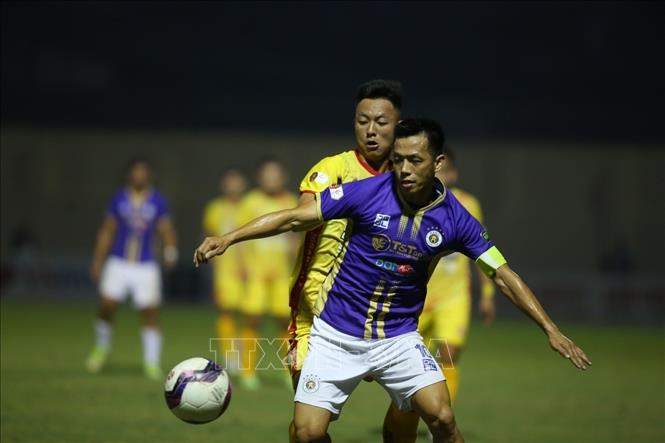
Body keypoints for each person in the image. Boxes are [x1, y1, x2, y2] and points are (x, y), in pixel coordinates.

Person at [194, 118, 591, 443]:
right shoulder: (367, 192)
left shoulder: (456, 218)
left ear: (437, 163)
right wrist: (229, 237)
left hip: (398, 339)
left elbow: (502, 275)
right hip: (335, 334)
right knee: (306, 433)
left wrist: (551, 330)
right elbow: (296, 217)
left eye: (415, 160)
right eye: (398, 160)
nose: (404, 169)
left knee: (443, 418)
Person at [287, 79, 400, 440]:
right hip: (314, 314)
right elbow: (303, 213)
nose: (371, 130)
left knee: (420, 404)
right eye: (362, 121)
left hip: (381, 316)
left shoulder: (406, 179)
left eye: (380, 122)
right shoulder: (332, 168)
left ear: (398, 125)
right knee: (308, 428)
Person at [86, 158, 177, 380]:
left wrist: (170, 251)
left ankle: (151, 361)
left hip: (146, 264)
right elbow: (107, 230)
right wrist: (98, 260)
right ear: (129, 175)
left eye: (143, 172)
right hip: (119, 261)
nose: (139, 176)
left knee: (150, 312)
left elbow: (166, 229)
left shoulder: (157, 200)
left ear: (149, 175)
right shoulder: (119, 198)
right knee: (106, 305)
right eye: (136, 172)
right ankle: (102, 347)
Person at [235, 158, 298, 389]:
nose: (271, 179)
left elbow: (295, 236)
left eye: (275, 174)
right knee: (252, 319)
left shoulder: (291, 201)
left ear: (283, 177)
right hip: (256, 273)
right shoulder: (250, 201)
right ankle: (247, 372)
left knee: (287, 323)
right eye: (267, 174)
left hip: (281, 273)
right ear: (259, 177)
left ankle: (290, 371)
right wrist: (242, 265)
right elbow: (240, 235)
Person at [202, 169, 249, 374]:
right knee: (226, 311)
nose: (233, 186)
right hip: (226, 271)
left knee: (250, 314)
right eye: (230, 182)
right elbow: (208, 235)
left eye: (237, 181)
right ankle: (230, 356)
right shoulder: (215, 208)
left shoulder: (250, 206)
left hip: (251, 270)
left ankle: (246, 358)